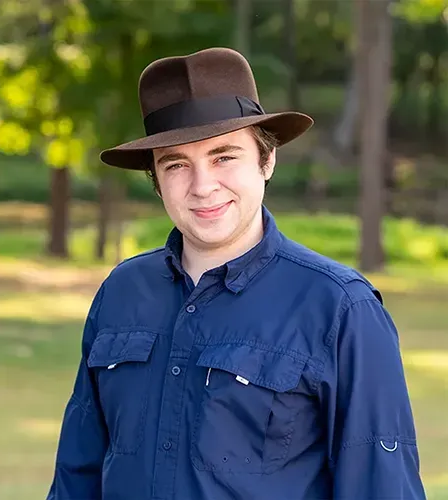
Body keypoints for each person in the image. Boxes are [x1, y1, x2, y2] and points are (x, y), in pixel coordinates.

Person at [46, 47, 426, 500]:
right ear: (156, 180)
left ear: (267, 161)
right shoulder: (121, 293)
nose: (202, 185)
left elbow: (380, 487)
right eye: (176, 164)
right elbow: (77, 474)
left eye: (224, 157)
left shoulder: (341, 308)